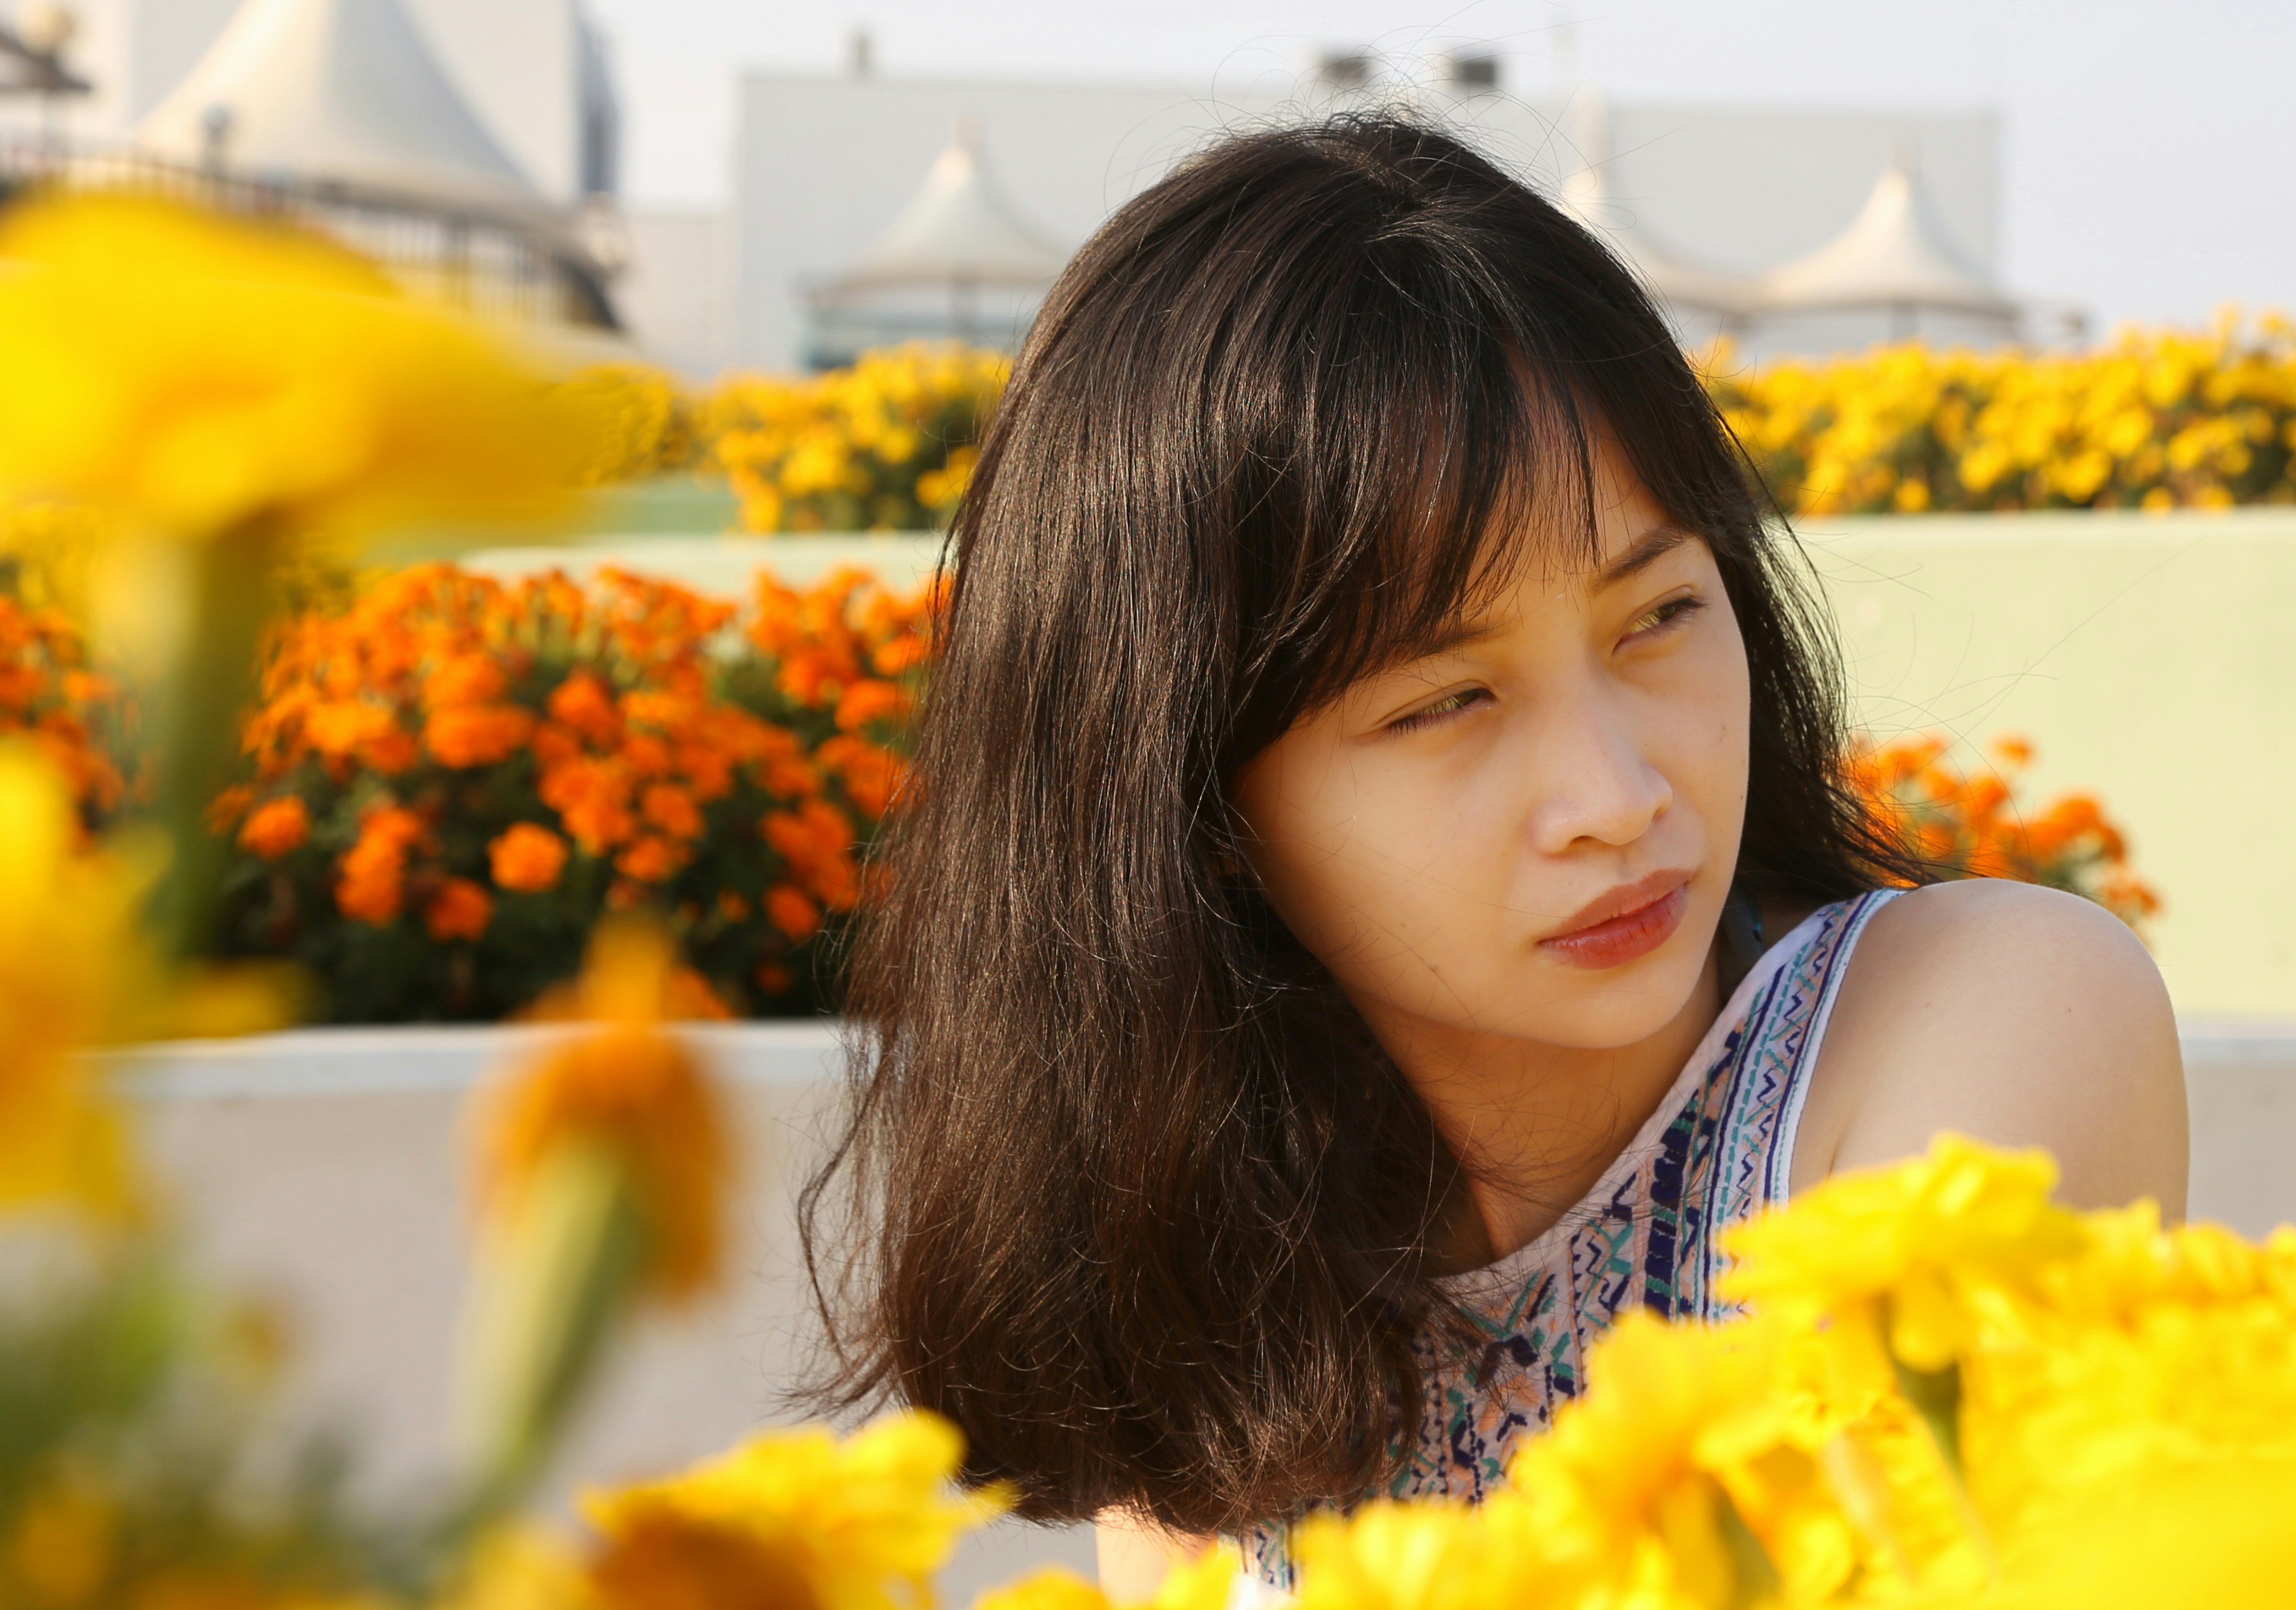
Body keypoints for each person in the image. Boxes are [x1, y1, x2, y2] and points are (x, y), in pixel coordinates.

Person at [804, 114, 2187, 1598]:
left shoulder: (1979, 1021)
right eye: (1446, 701)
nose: (1612, 792)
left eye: (1657, 616)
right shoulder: (1213, 1280)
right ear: (1194, 811)